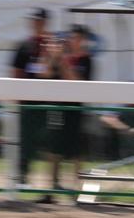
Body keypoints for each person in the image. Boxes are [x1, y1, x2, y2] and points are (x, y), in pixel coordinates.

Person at [38, 24, 93, 202]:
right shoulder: (61, 57)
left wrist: (62, 61)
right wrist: (49, 57)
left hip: (76, 110)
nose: (72, 41)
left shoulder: (86, 60)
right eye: (71, 38)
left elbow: (76, 81)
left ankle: (79, 193)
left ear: (83, 40)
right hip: (57, 108)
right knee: (53, 149)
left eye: (76, 38)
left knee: (77, 152)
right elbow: (43, 75)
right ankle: (51, 189)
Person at [11, 8, 52, 186]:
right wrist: (17, 95)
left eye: (39, 21)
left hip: (48, 100)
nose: (36, 24)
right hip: (27, 101)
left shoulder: (53, 45)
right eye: (34, 21)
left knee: (50, 142)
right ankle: (22, 177)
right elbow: (16, 72)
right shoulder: (24, 45)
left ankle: (50, 183)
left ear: (45, 22)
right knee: (25, 140)